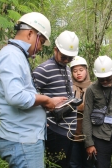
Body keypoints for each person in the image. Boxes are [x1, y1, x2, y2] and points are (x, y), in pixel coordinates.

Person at [0, 12, 67, 167]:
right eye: (41, 42)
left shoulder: (17, 55)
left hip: (26, 138)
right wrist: (46, 100)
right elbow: (15, 97)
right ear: (31, 34)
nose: (40, 48)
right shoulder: (11, 56)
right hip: (23, 141)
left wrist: (39, 119)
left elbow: (22, 94)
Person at [33, 30, 79, 168]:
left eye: (70, 58)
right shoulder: (43, 70)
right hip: (55, 128)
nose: (66, 61)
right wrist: (39, 118)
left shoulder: (67, 68)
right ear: (55, 50)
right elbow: (28, 95)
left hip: (69, 129)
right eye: (64, 57)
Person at [69, 56, 93, 168]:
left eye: (81, 70)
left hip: (90, 135)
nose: (78, 73)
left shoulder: (93, 87)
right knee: (74, 163)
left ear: (86, 71)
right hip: (73, 135)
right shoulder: (68, 87)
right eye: (75, 71)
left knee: (90, 163)